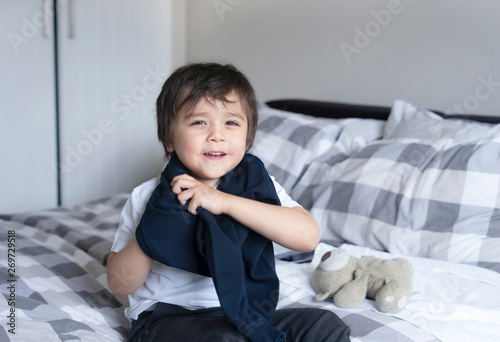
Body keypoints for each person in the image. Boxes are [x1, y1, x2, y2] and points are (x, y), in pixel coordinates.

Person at [107, 62, 351, 342]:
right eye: (199, 122)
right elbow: (118, 283)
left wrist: (224, 202)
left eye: (231, 123)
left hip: (247, 314)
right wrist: (154, 229)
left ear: (247, 139)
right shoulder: (149, 197)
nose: (217, 135)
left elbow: (307, 238)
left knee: (323, 324)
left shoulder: (259, 187)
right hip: (168, 318)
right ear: (169, 138)